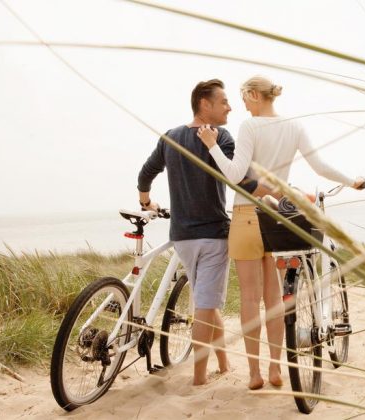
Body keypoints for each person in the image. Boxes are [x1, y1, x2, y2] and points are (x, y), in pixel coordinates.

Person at [197, 75, 365, 390]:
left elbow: (234, 176)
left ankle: (254, 374)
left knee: (250, 298)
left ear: (252, 94)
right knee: (275, 298)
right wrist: (351, 181)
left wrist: (212, 147)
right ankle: (276, 370)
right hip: (278, 217)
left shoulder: (249, 127)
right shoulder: (295, 126)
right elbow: (319, 166)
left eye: (243, 98)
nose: (242, 105)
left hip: (247, 215)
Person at [137, 79, 235, 386]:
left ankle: (223, 363)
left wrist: (146, 201)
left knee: (207, 302)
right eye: (223, 102)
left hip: (181, 236)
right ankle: (198, 378)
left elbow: (145, 173)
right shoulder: (223, 137)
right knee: (205, 304)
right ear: (205, 105)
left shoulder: (171, 138)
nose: (229, 107)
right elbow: (234, 176)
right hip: (212, 235)